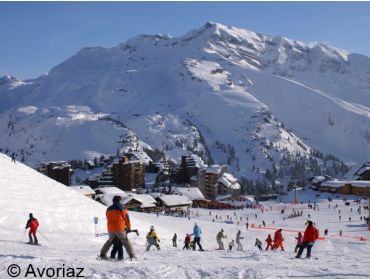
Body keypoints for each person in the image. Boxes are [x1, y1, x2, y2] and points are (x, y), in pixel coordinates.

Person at [99, 196, 136, 260]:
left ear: (113, 201)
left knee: (110, 241)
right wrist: (129, 228)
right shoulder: (122, 207)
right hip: (120, 227)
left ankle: (102, 254)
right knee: (125, 241)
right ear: (119, 200)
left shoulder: (108, 209)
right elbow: (127, 219)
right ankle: (132, 256)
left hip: (110, 228)